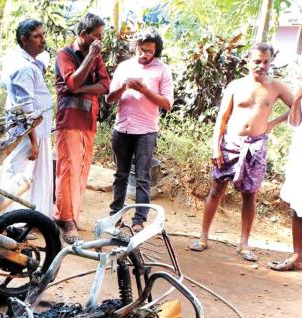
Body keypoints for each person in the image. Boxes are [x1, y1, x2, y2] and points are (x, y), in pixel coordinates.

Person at [189, 43, 293, 262]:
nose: (261, 66)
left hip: (255, 147)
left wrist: (272, 123)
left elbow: (296, 106)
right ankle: (203, 237)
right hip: (230, 144)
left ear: (270, 62)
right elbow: (222, 119)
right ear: (248, 62)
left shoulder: (276, 87)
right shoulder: (235, 86)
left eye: (266, 61)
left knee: (249, 195)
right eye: (257, 61)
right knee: (216, 189)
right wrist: (215, 147)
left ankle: (244, 243)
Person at [106, 30, 173, 232]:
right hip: (123, 128)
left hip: (146, 130)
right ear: (135, 47)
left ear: (156, 51)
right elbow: (110, 98)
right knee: (120, 174)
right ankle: (115, 215)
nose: (145, 55)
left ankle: (139, 220)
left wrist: (144, 90)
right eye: (142, 50)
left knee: (143, 176)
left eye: (150, 51)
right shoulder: (124, 67)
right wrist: (123, 88)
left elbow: (168, 103)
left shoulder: (163, 70)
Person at [53, 13, 110, 243]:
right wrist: (83, 79)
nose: (100, 41)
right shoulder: (65, 54)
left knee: (82, 170)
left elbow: (105, 85)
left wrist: (82, 87)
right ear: (84, 35)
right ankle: (65, 220)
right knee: (68, 170)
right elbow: (73, 82)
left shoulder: (96, 56)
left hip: (88, 120)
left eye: (101, 36)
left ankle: (72, 215)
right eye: (96, 36)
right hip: (69, 120)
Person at [0, 18, 54, 216]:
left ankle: (27, 220)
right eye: (37, 36)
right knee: (18, 177)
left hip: (34, 132)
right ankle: (11, 222)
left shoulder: (30, 63)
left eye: (43, 35)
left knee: (27, 176)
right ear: (24, 39)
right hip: (27, 134)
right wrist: (33, 141)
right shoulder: (24, 67)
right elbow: (26, 109)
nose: (43, 40)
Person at [270, 84, 302, 271]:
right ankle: (297, 255)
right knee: (298, 206)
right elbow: (295, 123)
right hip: (299, 159)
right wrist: (297, 98)